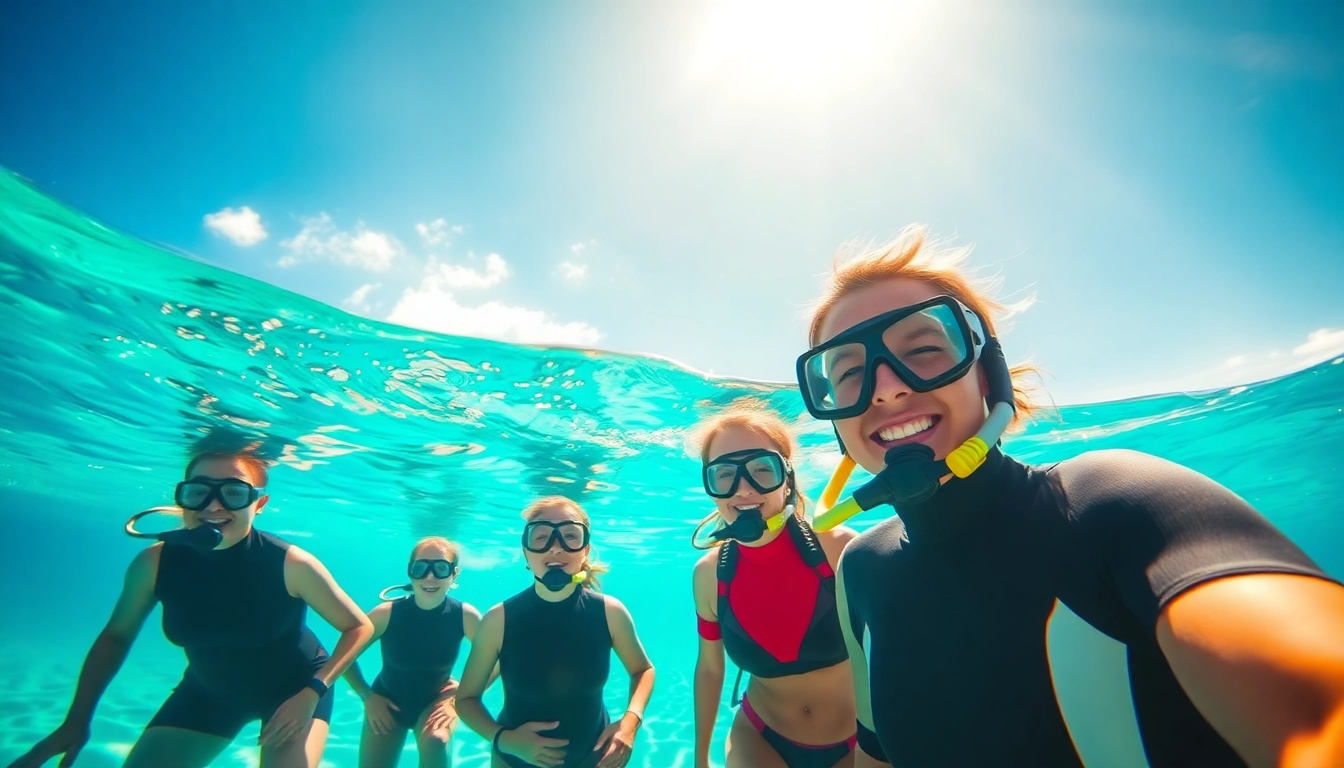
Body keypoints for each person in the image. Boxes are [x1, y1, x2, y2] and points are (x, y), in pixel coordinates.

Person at [796, 225, 1344, 768]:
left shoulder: (1114, 499)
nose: (888, 386)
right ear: (837, 420)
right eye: (848, 372)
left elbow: (1321, 711)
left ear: (988, 376)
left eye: (923, 348)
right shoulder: (859, 567)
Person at [8, 443, 373, 768]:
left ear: (259, 504)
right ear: (182, 497)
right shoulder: (154, 564)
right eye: (198, 491)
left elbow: (358, 626)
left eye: (233, 492)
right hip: (208, 693)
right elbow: (117, 636)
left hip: (294, 692)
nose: (213, 506)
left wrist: (312, 692)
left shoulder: (291, 564)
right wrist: (77, 719)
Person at [689, 407, 859, 768]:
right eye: (724, 475)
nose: (744, 488)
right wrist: (700, 757)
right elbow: (709, 669)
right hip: (759, 737)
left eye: (762, 469)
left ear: (788, 477)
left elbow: (900, 651)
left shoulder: (839, 550)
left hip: (858, 739)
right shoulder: (709, 574)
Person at [456, 496, 655, 768]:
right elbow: (466, 700)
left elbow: (642, 670)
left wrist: (630, 723)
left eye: (570, 536)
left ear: (585, 550)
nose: (556, 548)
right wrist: (505, 740)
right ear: (526, 553)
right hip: (513, 761)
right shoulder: (498, 620)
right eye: (541, 537)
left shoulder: (610, 612)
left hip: (594, 760)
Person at [343, 537, 484, 768]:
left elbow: (497, 660)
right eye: (420, 568)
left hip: (437, 700)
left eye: (440, 568)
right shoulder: (385, 613)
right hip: (386, 701)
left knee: (436, 741)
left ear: (454, 574)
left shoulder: (465, 615)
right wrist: (367, 696)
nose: (430, 576)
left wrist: (461, 698)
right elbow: (344, 656)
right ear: (410, 572)